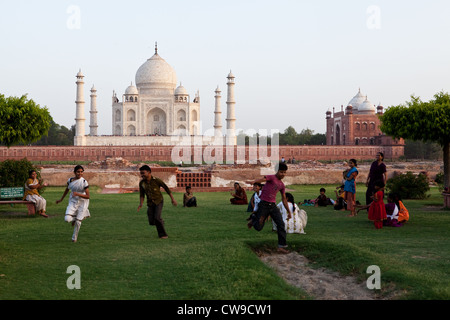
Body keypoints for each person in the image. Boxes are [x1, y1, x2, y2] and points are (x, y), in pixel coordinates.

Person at [246, 162, 291, 253]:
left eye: (285, 172)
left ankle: (281, 246)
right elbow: (263, 179)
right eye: (281, 172)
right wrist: (254, 182)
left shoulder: (282, 185)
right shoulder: (271, 177)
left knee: (281, 224)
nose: (283, 174)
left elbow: (284, 199)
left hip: (273, 206)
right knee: (258, 227)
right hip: (264, 205)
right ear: (277, 171)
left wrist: (289, 211)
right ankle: (254, 218)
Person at [137, 165, 177, 239]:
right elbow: (142, 194)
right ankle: (160, 222)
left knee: (157, 218)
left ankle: (163, 235)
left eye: (143, 173)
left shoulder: (156, 180)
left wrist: (173, 199)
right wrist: (141, 204)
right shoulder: (142, 183)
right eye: (141, 173)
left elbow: (166, 189)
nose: (142, 175)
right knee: (151, 221)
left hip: (159, 201)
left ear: (149, 172)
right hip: (150, 203)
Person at [56, 165, 90, 242]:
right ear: (74, 172)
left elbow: (88, 196)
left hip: (82, 202)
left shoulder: (84, 182)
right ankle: (75, 218)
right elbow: (67, 189)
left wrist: (78, 194)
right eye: (78, 172)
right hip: (73, 201)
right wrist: (61, 199)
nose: (80, 173)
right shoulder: (70, 180)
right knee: (67, 219)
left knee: (78, 222)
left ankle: (74, 238)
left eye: (81, 172)